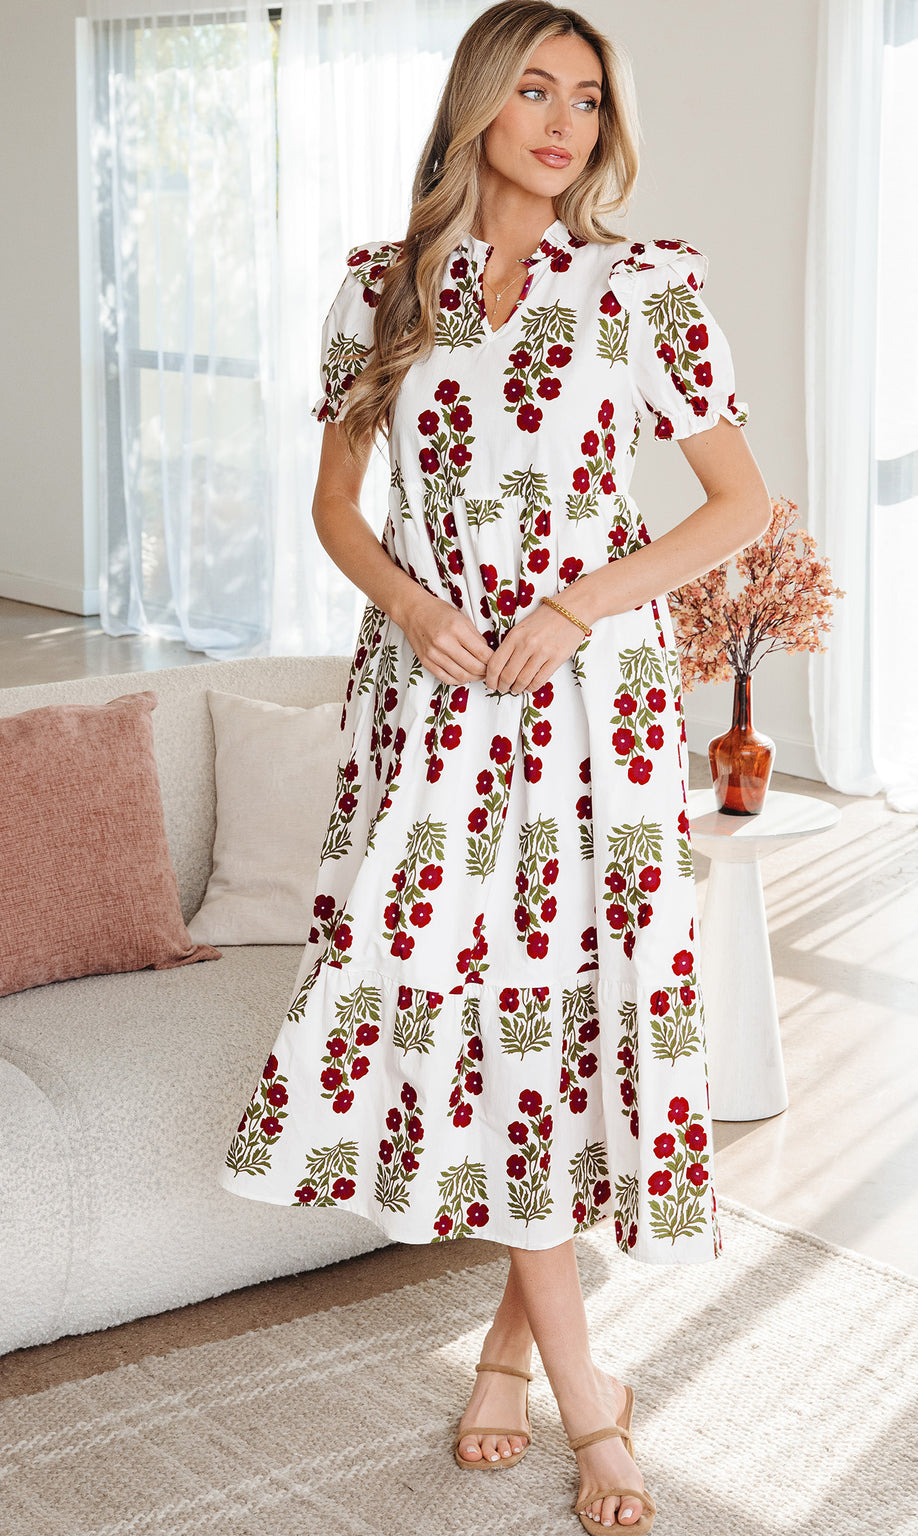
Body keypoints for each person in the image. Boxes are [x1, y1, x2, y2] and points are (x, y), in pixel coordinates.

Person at [219, 3, 771, 1530]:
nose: (561, 121)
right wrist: (410, 602)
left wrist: (582, 603)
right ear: (476, 104)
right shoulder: (379, 293)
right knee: (479, 1024)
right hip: (436, 708)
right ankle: (586, 1393)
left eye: (587, 98)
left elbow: (738, 507)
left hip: (593, 711)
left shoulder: (643, 292)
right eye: (533, 88)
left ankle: (533, 1374)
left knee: (572, 1021)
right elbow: (338, 506)